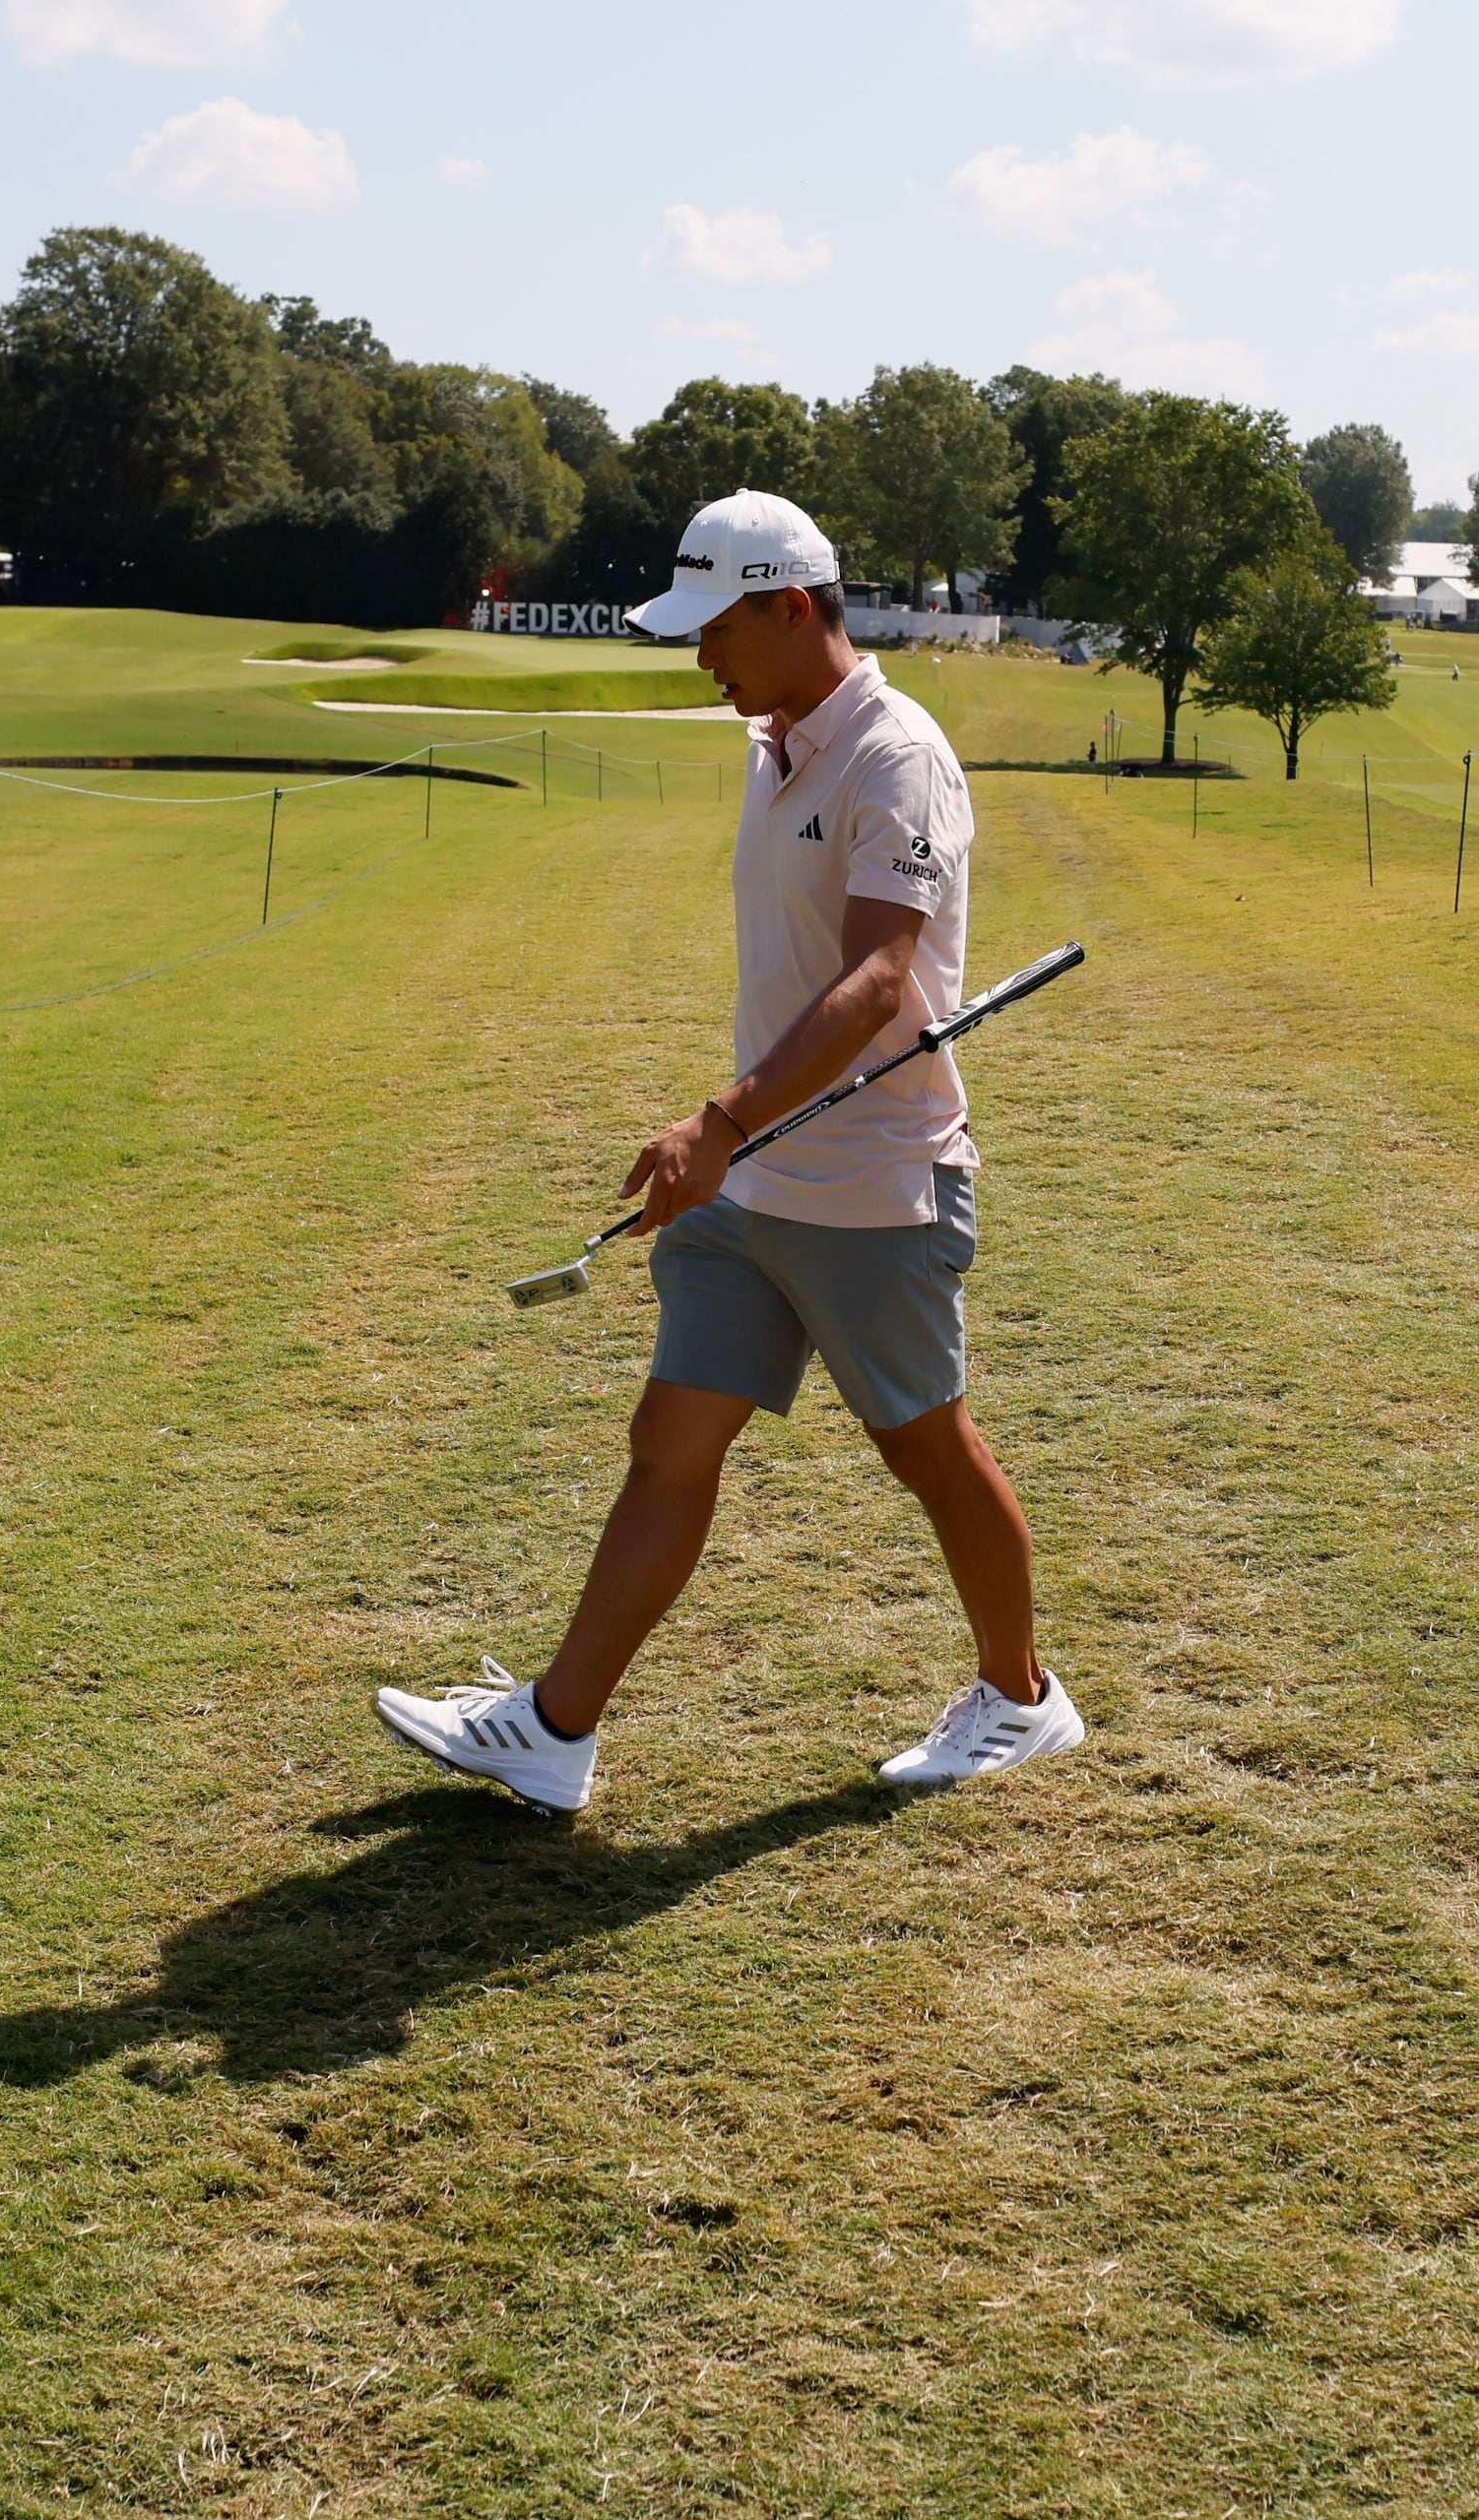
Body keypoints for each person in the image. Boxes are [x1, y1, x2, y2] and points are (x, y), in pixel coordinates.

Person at [374, 489, 1081, 1816]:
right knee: (668, 1439)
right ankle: (555, 1730)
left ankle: (1023, 1700)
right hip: (754, 1186)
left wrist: (722, 1121)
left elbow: (880, 980)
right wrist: (734, 1147)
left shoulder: (895, 755)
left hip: (873, 1183)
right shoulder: (779, 741)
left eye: (718, 630)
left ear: (792, 607)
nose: (703, 656)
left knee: (928, 1451)